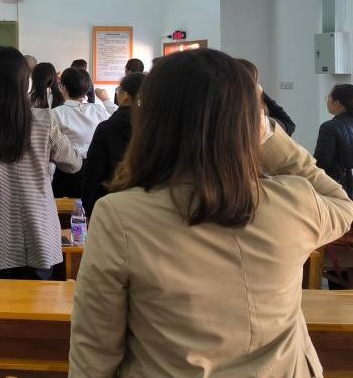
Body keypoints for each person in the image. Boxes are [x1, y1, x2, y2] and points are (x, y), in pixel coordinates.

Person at [69, 49, 353, 377]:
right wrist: (267, 137)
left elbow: (95, 351)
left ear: (152, 121)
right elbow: (341, 203)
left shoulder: (121, 217)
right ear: (248, 121)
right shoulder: (292, 202)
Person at [0, 47, 81, 280]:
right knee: (37, 301)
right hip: (39, 233)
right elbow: (73, 163)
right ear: (25, 81)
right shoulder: (44, 120)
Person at [83, 72, 144, 217]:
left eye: (118, 90)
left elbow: (93, 173)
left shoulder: (106, 128)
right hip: (146, 204)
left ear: (125, 95)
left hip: (111, 202)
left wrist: (88, 209)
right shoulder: (154, 128)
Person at [51, 67, 116, 198]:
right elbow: (118, 116)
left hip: (67, 171)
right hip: (95, 169)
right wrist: (106, 100)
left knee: (64, 208)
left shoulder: (56, 113)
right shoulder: (99, 109)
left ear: (63, 88)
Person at [237, 58, 296, 136]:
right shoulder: (259, 122)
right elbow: (290, 125)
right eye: (256, 82)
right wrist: (262, 94)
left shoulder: (227, 117)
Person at [314, 84, 353, 197]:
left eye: (328, 98)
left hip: (334, 187)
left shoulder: (329, 127)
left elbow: (321, 163)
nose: (327, 101)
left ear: (337, 103)